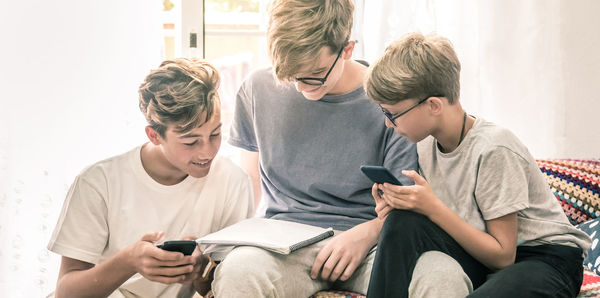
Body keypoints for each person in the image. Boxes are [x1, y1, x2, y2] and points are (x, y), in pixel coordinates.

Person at [211, 1, 473, 297]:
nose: (300, 87)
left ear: (347, 49)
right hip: (282, 245)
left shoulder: (393, 101)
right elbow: (249, 183)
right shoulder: (258, 88)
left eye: (315, 73)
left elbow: (406, 201)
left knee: (442, 276)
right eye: (292, 74)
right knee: (238, 271)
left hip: (372, 244)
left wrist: (369, 233)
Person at [364, 32, 592, 298]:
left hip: (543, 259)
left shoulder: (494, 149)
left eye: (392, 114)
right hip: (481, 251)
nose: (388, 124)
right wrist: (398, 207)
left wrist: (432, 208)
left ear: (433, 105)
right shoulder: (426, 145)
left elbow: (503, 256)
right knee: (401, 222)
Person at [47, 58, 254, 298]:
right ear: (154, 135)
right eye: (190, 141)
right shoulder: (99, 182)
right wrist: (129, 261)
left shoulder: (233, 182)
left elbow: (225, 286)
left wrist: (200, 272)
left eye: (216, 134)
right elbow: (66, 292)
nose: (207, 151)